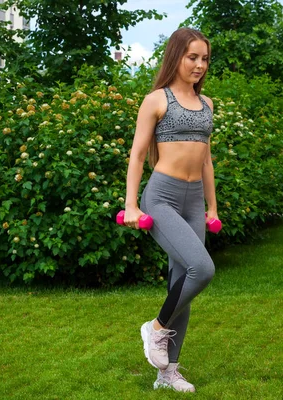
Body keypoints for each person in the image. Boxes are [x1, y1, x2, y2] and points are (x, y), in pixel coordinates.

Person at [123, 27, 218, 393]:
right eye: (192, 57)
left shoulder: (207, 104)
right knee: (202, 269)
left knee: (183, 282)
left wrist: (212, 206)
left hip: (194, 200)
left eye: (204, 58)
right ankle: (156, 329)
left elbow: (206, 160)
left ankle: (168, 372)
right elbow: (136, 153)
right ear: (176, 56)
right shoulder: (156, 100)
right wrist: (131, 204)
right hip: (162, 197)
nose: (199, 64)